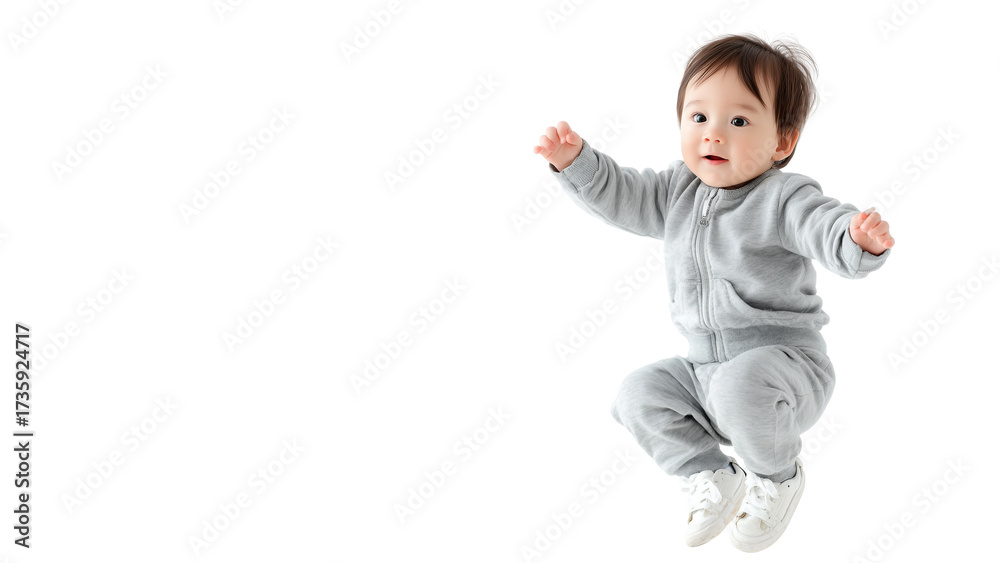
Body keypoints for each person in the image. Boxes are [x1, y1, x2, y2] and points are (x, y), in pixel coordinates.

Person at [532, 33, 894, 552]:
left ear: (782, 142)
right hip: (704, 372)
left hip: (786, 370)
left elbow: (821, 223)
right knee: (638, 393)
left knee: (738, 386)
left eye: (739, 121)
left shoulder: (783, 198)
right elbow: (625, 195)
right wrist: (577, 163)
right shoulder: (678, 190)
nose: (714, 134)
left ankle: (778, 477)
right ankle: (712, 473)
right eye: (699, 117)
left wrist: (854, 239)